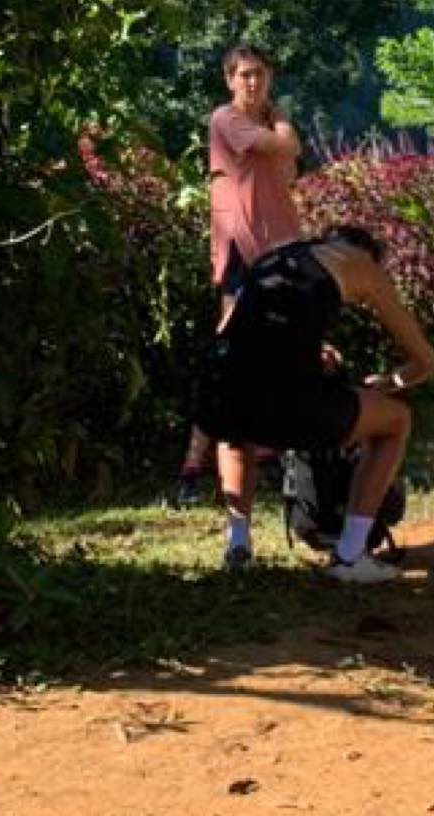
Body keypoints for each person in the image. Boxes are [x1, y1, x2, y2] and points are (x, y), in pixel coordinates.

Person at [195, 225, 434, 584]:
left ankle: (238, 545)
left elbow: (234, 335)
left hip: (215, 398)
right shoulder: (361, 264)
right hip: (289, 406)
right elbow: (425, 361)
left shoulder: (276, 258)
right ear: (369, 255)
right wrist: (388, 382)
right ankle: (349, 556)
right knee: (396, 420)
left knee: (238, 420)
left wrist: (308, 351)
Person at [174, 45, 304, 563]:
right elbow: (285, 148)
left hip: (282, 249)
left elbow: (286, 166)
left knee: (278, 353)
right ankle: (192, 465)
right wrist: (284, 127)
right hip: (239, 255)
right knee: (228, 358)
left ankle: (270, 451)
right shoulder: (225, 119)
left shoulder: (266, 120)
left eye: (261, 74)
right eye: (245, 75)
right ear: (230, 80)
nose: (254, 83)